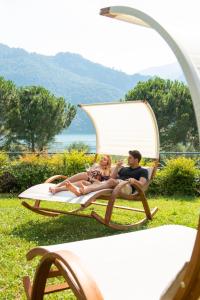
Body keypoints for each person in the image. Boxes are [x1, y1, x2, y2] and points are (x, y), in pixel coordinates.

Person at [65, 150, 148, 196]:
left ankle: (87, 189)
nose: (128, 159)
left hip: (127, 188)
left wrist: (134, 181)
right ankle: (79, 191)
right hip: (115, 185)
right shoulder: (124, 169)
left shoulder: (143, 171)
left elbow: (142, 184)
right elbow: (112, 177)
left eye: (130, 158)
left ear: (136, 160)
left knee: (111, 181)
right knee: (92, 182)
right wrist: (117, 167)